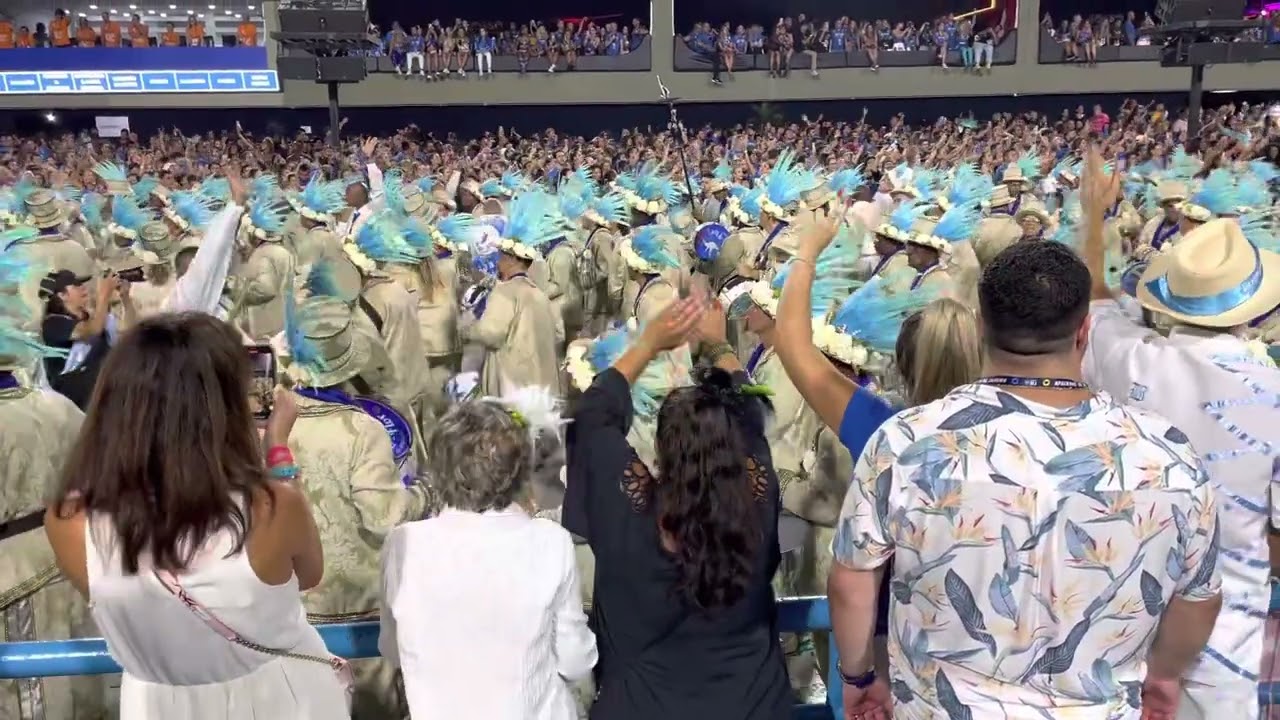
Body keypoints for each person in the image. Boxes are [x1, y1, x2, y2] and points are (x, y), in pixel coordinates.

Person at [829, 238, 1222, 720]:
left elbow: (852, 580)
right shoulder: (1166, 454)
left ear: (979, 328)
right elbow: (1198, 597)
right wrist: (1162, 677)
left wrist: (858, 677)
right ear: (1085, 331)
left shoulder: (906, 441)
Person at [44, 312, 350, 720]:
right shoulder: (272, 507)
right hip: (281, 697)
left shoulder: (69, 520)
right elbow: (308, 575)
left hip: (157, 705)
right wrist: (277, 450)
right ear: (221, 410)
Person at [1078, 149, 1280, 720]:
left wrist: (1094, 216)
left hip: (1118, 622)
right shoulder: (1275, 392)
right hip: (1225, 648)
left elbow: (1092, 296)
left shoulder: (1132, 361)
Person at [564, 294, 792, 720]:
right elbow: (753, 414)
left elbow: (594, 415)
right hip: (752, 704)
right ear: (733, 448)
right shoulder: (756, 501)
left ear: (664, 452)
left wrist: (649, 343)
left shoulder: (628, 509)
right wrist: (720, 345)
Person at [380, 390, 596, 719]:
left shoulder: (403, 543)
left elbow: (393, 650)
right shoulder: (550, 542)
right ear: (519, 470)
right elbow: (577, 660)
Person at [40, 269, 128, 409]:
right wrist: (103, 295)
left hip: (105, 391)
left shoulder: (91, 317)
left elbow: (129, 331)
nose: (83, 287)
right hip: (74, 403)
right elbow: (93, 330)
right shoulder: (53, 323)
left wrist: (125, 298)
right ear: (62, 295)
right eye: (76, 285)